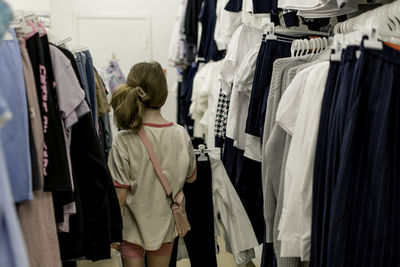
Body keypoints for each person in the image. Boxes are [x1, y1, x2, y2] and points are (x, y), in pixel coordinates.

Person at [108, 61, 197, 267]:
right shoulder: (180, 134)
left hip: (131, 230)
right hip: (164, 228)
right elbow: (191, 177)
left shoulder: (123, 140)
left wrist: (111, 230)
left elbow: (120, 196)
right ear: (164, 95)